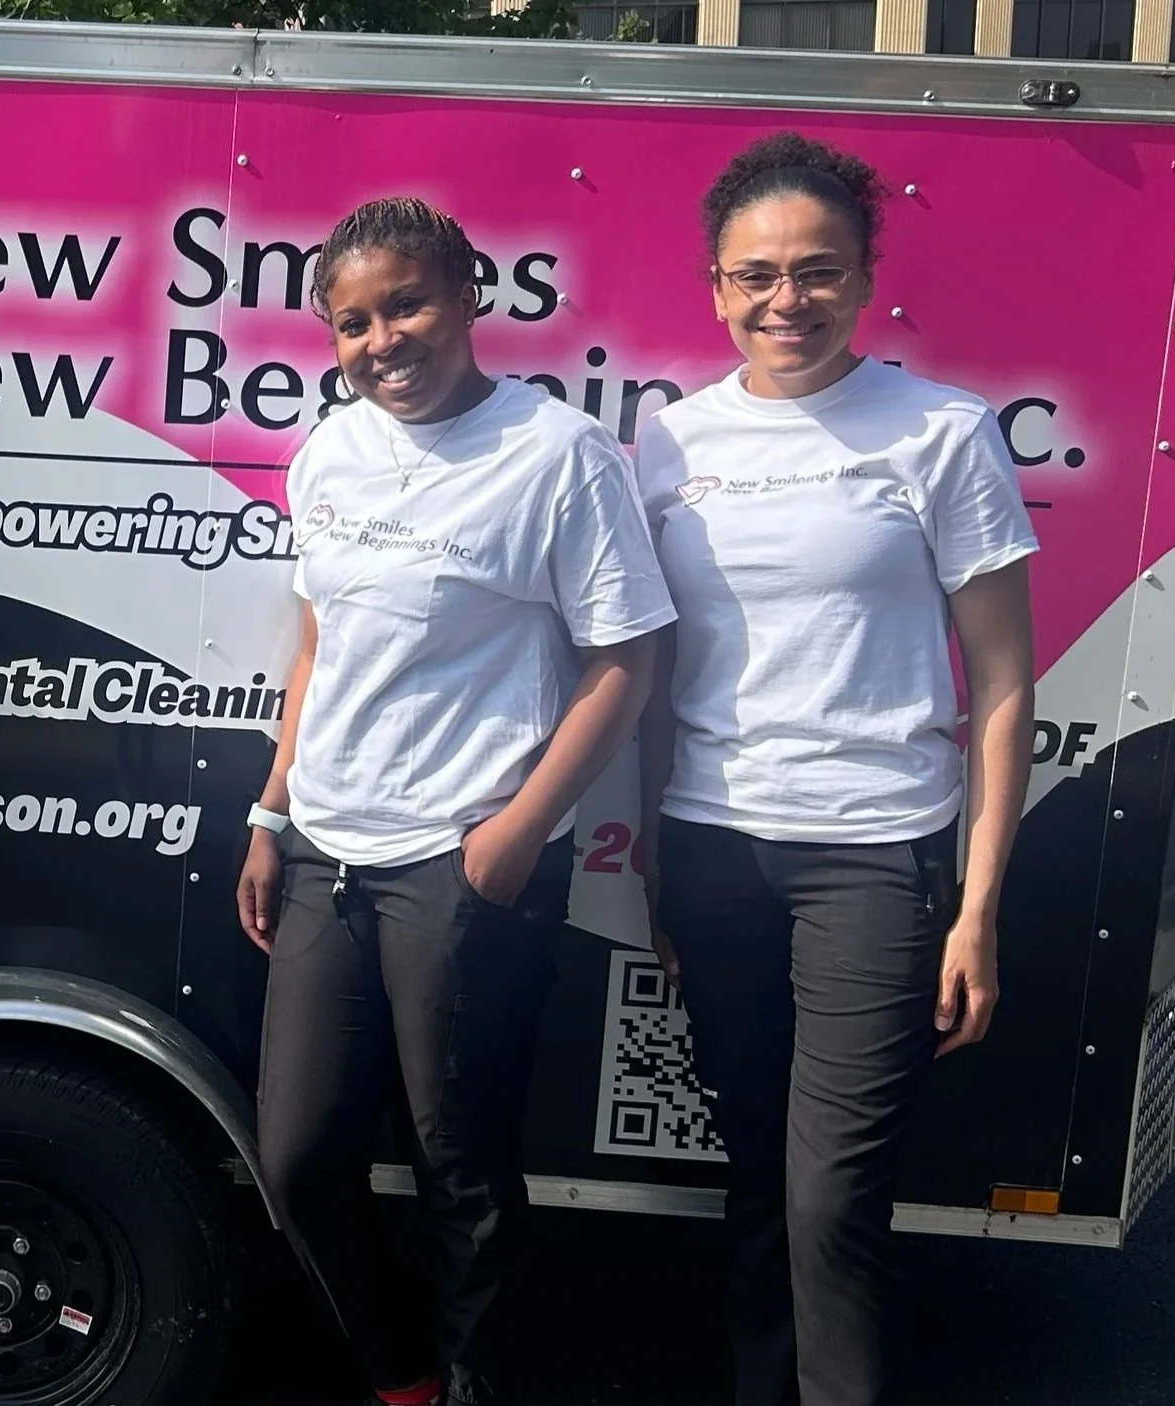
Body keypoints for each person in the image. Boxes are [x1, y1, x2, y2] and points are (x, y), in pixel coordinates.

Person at [235, 197, 676, 1406]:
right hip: (327, 849)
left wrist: (517, 830)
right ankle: (402, 1374)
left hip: (461, 861)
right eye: (353, 322)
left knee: (461, 1169)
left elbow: (625, 659)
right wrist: (272, 813)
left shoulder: (557, 454)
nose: (383, 340)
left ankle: (482, 1387)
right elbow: (319, 644)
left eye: (407, 305)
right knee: (298, 1156)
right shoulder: (330, 449)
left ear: (468, 296)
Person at [633, 132, 1037, 1406]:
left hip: (872, 856)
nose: (786, 300)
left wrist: (976, 909)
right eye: (755, 274)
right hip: (713, 848)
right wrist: (655, 866)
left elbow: (1003, 682)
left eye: (816, 270)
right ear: (715, 287)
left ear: (865, 279)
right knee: (758, 1182)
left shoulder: (940, 432)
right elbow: (654, 672)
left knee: (830, 1201)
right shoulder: (669, 442)